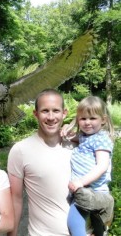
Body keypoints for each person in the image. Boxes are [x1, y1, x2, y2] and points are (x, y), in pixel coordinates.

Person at [7, 89, 74, 236]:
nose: (51, 117)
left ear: (64, 113)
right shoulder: (20, 150)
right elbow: (16, 199)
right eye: (45, 111)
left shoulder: (78, 146)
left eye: (56, 110)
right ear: (35, 114)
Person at [61, 96, 114, 236]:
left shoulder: (101, 139)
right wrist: (65, 130)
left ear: (103, 120)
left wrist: (80, 182)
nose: (87, 122)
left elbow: (102, 166)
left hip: (93, 190)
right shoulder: (85, 136)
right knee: (89, 225)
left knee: (74, 221)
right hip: (84, 190)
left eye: (92, 118)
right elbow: (73, 136)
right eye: (83, 119)